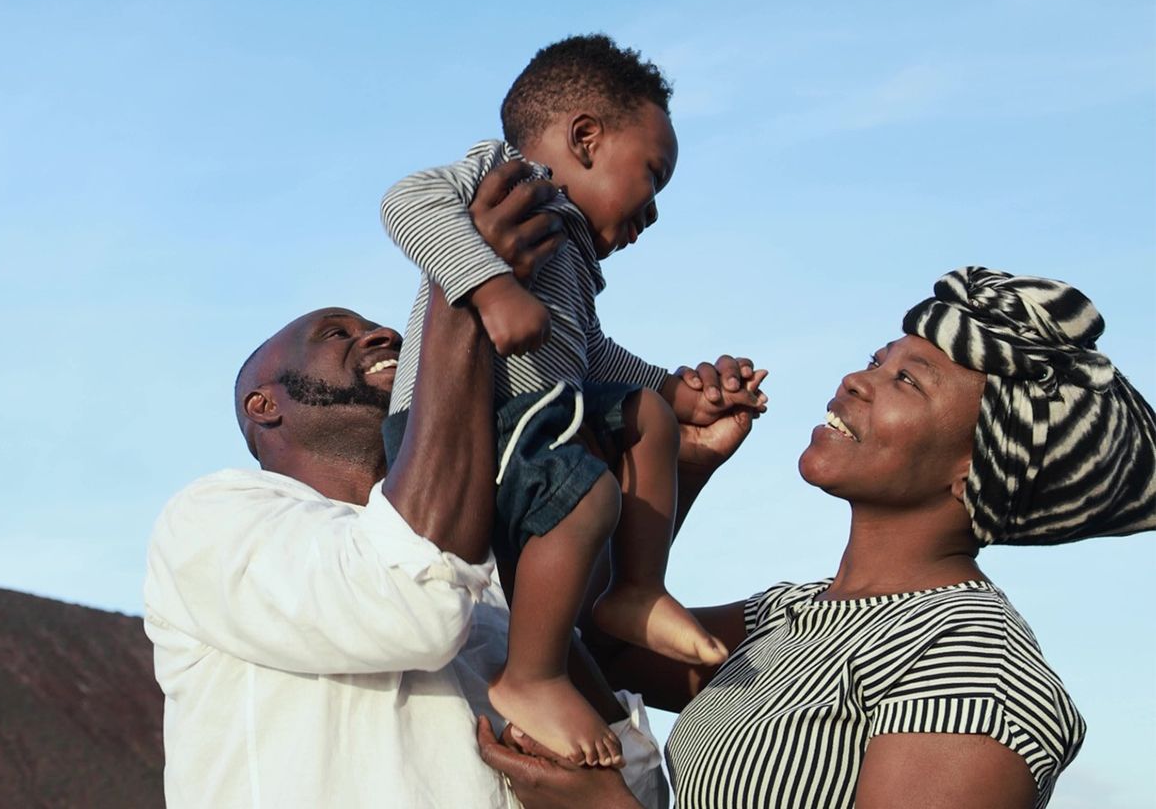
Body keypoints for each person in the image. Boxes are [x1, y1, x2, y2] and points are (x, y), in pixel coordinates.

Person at [143, 161, 764, 809]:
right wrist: (466, 283)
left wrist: (679, 461)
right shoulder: (214, 518)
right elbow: (406, 605)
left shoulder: (487, 559)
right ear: (263, 405)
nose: (381, 332)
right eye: (335, 333)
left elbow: (628, 754)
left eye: (378, 326)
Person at [483, 267, 1156, 809]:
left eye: (906, 382)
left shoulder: (976, 668)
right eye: (876, 359)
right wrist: (686, 468)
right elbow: (601, 645)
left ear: (977, 472)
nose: (854, 381)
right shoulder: (793, 616)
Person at [380, 34, 736, 765]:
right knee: (587, 497)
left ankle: (636, 589)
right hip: (469, 422)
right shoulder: (509, 175)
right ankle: (532, 676)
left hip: (540, 419)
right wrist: (489, 285)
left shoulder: (569, 255)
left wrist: (671, 388)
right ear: (583, 138)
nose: (654, 212)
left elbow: (592, 353)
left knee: (649, 421)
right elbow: (406, 201)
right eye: (652, 175)